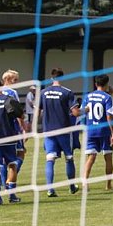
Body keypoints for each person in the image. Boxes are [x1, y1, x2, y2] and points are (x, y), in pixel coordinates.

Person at [35, 68, 81, 197]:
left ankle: (50, 189)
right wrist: (85, 110)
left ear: (51, 78)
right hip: (64, 130)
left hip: (48, 130)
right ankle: (72, 186)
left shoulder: (43, 92)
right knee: (69, 157)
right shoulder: (67, 92)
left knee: (50, 158)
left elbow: (37, 112)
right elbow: (75, 113)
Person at [82, 74, 113, 192]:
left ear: (96, 84)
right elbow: (109, 116)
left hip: (90, 130)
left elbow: (83, 112)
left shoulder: (87, 96)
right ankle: (108, 184)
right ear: (107, 84)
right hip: (104, 131)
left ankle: (85, 183)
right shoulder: (107, 97)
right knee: (108, 157)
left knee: (90, 158)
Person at [1, 70, 27, 172]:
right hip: (13, 127)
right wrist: (23, 128)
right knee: (21, 152)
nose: (16, 82)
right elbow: (18, 112)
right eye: (15, 80)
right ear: (7, 79)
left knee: (3, 157)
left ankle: (4, 182)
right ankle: (12, 177)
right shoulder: (12, 92)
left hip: (0, 127)